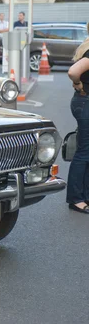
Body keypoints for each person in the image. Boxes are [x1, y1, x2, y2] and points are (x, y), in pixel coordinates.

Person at [66, 23, 89, 214]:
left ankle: (84, 195)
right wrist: (78, 84)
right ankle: (76, 199)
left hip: (83, 101)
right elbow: (73, 72)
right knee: (84, 152)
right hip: (85, 102)